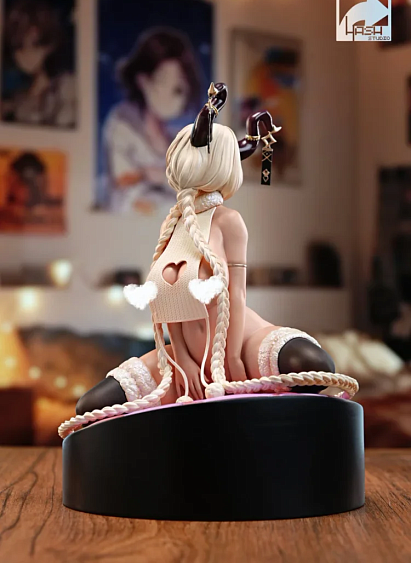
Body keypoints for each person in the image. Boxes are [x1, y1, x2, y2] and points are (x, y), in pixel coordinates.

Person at [59, 83, 358, 438]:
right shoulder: (173, 225)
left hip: (239, 342)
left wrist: (231, 360)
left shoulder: (229, 222)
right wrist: (184, 360)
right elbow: (167, 300)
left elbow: (236, 295)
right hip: (182, 356)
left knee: (311, 365)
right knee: (92, 406)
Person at [102, 28, 201, 214]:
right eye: (163, 80)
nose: (171, 94)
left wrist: (160, 178)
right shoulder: (122, 126)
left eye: (178, 85)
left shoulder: (179, 139)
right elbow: (124, 193)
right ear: (143, 81)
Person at [1, 0, 76, 127]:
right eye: (19, 46)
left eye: (34, 45)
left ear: (48, 46)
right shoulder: (16, 99)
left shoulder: (67, 87)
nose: (26, 54)